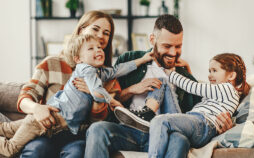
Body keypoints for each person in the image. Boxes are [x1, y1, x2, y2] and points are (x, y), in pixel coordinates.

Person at [84, 14, 234, 158]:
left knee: (181, 140)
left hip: (165, 135)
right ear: (152, 39)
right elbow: (112, 100)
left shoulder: (184, 76)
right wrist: (131, 90)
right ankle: (142, 116)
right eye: (167, 46)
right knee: (97, 130)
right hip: (129, 131)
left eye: (178, 46)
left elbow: (197, 116)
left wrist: (223, 125)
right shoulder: (130, 59)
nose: (173, 53)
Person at [0, 34, 153, 157]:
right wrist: (111, 100)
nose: (98, 50)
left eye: (99, 47)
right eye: (91, 48)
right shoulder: (86, 69)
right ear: (78, 59)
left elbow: (119, 69)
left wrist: (143, 59)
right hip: (42, 121)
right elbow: (96, 91)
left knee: (6, 128)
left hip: (53, 126)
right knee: (10, 149)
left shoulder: (99, 72)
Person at [15, 11, 116, 158]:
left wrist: (93, 92)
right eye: (95, 29)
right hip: (45, 132)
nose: (100, 35)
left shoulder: (106, 76)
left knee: (76, 152)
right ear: (81, 30)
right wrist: (37, 108)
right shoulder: (51, 63)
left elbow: (98, 121)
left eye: (106, 33)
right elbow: (24, 98)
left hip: (77, 136)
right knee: (36, 150)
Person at [147, 53, 250, 158]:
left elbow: (193, 87)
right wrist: (187, 67)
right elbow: (198, 91)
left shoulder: (227, 88)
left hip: (203, 123)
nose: (210, 75)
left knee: (160, 120)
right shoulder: (222, 93)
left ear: (231, 76)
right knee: (178, 139)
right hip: (199, 127)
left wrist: (169, 73)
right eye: (209, 71)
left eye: (214, 70)